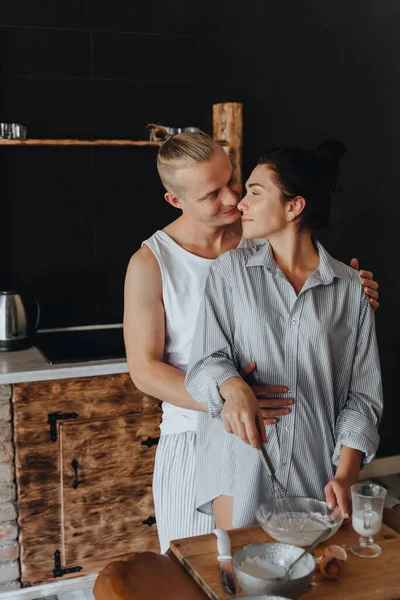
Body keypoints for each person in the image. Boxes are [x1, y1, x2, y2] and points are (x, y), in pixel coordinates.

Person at [123, 129, 380, 553]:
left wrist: (351, 293)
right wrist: (233, 396)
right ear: (177, 201)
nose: (232, 200)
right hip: (197, 436)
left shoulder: (260, 235)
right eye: (212, 194)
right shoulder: (153, 263)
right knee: (199, 567)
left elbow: (345, 371)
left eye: (234, 182)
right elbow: (145, 370)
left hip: (291, 441)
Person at [185, 141, 383, 531]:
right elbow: (205, 363)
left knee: (313, 583)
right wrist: (233, 386)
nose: (240, 204)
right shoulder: (229, 273)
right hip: (238, 467)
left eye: (255, 193)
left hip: (316, 474)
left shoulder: (349, 289)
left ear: (294, 207)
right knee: (237, 584)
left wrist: (345, 474)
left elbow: (362, 397)